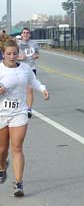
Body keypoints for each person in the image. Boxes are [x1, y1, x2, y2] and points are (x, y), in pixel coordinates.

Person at [0, 39, 49, 197]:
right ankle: (2, 167)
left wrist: (43, 89)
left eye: (15, 53)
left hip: (19, 112)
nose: (12, 56)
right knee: (2, 150)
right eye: (9, 54)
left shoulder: (25, 68)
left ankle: (18, 183)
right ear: (3, 54)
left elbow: (34, 82)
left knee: (17, 147)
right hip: (1, 112)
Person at [17, 28, 40, 119]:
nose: (26, 34)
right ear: (21, 35)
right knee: (20, 90)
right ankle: (20, 107)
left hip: (31, 69)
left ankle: (29, 109)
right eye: (24, 33)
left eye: (27, 33)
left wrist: (35, 56)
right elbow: (12, 55)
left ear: (29, 35)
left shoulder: (33, 43)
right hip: (20, 68)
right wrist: (19, 58)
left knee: (29, 90)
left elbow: (37, 54)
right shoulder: (17, 44)